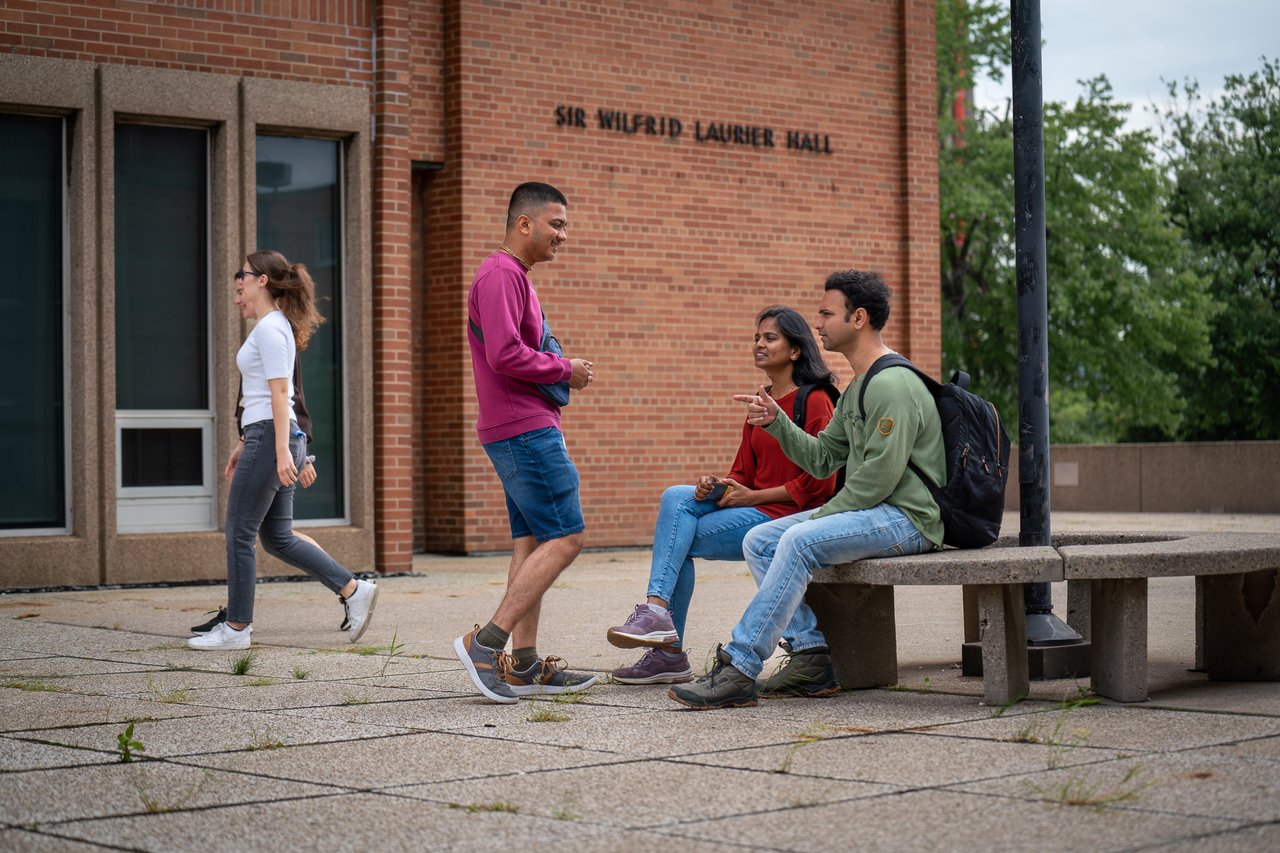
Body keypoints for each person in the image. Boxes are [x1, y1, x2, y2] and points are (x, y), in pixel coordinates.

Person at [668, 270, 945, 709]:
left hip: (908, 518)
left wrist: (817, 518)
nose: (817, 323)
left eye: (826, 313)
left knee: (796, 539)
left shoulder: (893, 384)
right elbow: (821, 458)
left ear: (858, 318)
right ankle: (812, 656)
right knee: (760, 540)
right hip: (878, 511)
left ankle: (739, 666)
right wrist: (778, 421)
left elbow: (880, 478)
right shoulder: (858, 389)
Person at [606, 305, 838, 685]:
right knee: (675, 497)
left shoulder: (814, 401)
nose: (758, 344)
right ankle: (658, 616)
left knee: (676, 540)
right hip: (755, 505)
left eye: (770, 338)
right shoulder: (759, 402)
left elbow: (820, 484)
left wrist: (753, 497)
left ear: (795, 350)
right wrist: (717, 484)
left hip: (788, 517)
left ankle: (667, 649)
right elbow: (742, 473)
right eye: (756, 338)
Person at [188, 250, 378, 650]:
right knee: (277, 537)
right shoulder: (270, 327)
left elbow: (280, 392)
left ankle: (237, 628)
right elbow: (265, 395)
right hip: (266, 436)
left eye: (243, 275)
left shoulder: (271, 328)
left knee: (239, 532)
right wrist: (247, 444)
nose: (237, 283)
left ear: (262, 280)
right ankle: (353, 589)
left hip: (271, 436)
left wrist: (278, 450)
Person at [455, 182, 597, 704]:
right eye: (556, 224)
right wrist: (567, 368)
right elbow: (504, 354)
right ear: (524, 224)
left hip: (521, 426)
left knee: (534, 542)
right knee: (567, 535)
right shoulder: (500, 274)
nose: (563, 235)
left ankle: (524, 662)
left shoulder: (516, 277)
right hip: (523, 428)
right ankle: (485, 644)